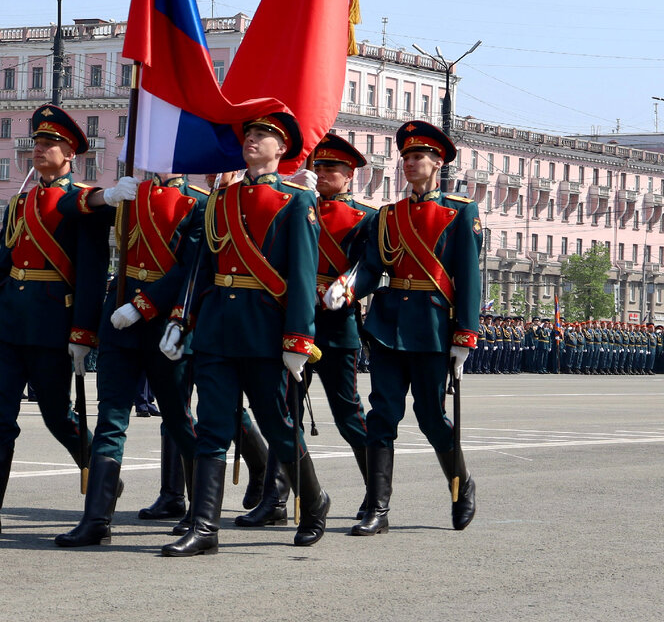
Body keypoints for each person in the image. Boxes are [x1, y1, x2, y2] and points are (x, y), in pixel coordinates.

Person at [161, 104, 329, 556]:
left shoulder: (297, 201)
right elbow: (200, 265)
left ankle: (314, 503)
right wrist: (182, 318)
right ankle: (204, 528)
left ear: (282, 150)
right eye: (249, 133)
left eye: (263, 135)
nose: (252, 139)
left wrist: (299, 338)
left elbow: (301, 273)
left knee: (278, 424)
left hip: (264, 330)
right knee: (214, 427)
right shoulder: (219, 199)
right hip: (216, 329)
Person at [325, 120, 480, 535]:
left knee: (431, 417)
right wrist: (348, 288)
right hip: (388, 326)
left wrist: (466, 333)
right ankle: (378, 508)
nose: (410, 164)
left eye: (419, 157)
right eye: (407, 157)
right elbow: (373, 267)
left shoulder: (460, 212)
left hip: (433, 328)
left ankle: (462, 484)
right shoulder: (388, 215)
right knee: (382, 416)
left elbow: (468, 277)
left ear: (437, 162)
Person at [0, 104, 109, 537]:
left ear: (71, 153)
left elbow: (91, 271)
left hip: (52, 323)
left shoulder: (84, 202)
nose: (40, 150)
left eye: (51, 144)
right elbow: (1, 260)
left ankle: (103, 476)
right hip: (9, 322)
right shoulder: (21, 201)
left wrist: (84, 331)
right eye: (38, 143)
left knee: (56, 414)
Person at [54, 171, 206, 548]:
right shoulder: (129, 196)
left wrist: (144, 306)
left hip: (165, 322)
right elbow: (65, 207)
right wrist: (105, 196)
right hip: (118, 319)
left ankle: (201, 514)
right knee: (110, 420)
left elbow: (190, 269)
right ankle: (97, 519)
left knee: (178, 419)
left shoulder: (199, 203)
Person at [240, 133, 377, 527]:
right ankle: (275, 500)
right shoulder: (294, 203)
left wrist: (346, 288)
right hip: (293, 321)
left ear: (350, 175)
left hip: (336, 325)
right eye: (319, 167)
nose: (323, 174)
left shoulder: (365, 217)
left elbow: (368, 266)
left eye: (332, 168)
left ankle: (375, 494)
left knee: (348, 414)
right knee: (285, 415)